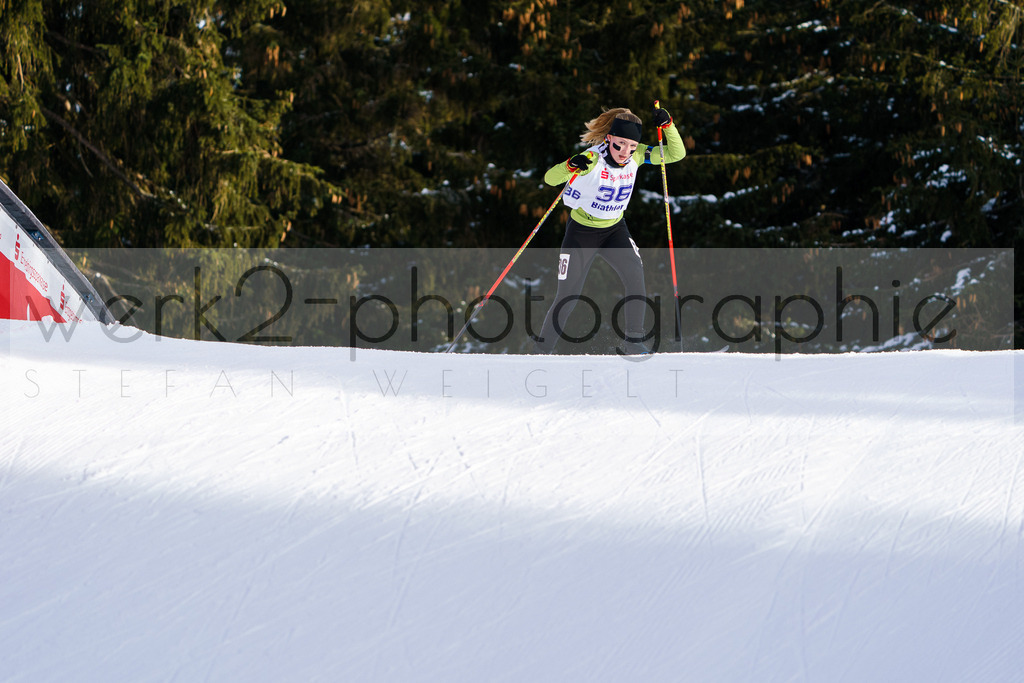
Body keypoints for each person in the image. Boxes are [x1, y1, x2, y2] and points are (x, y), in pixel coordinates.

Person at [532, 104, 685, 354]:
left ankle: (633, 343)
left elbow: (675, 154)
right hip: (582, 232)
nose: (625, 152)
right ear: (609, 138)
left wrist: (668, 126)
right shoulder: (593, 158)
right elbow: (550, 179)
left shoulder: (638, 155)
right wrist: (570, 165)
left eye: (632, 146)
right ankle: (542, 350)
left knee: (635, 278)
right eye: (620, 144)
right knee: (568, 293)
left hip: (615, 230)